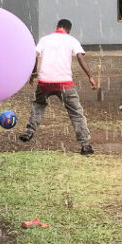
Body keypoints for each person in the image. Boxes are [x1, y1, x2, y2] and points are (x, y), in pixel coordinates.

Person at [18, 19, 99, 154]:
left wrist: (33, 73)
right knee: (76, 113)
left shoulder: (45, 39)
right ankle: (85, 145)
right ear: (69, 30)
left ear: (57, 27)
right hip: (64, 83)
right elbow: (80, 57)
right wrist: (90, 76)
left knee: (39, 104)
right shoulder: (71, 40)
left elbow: (35, 55)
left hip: (44, 81)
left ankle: (29, 131)